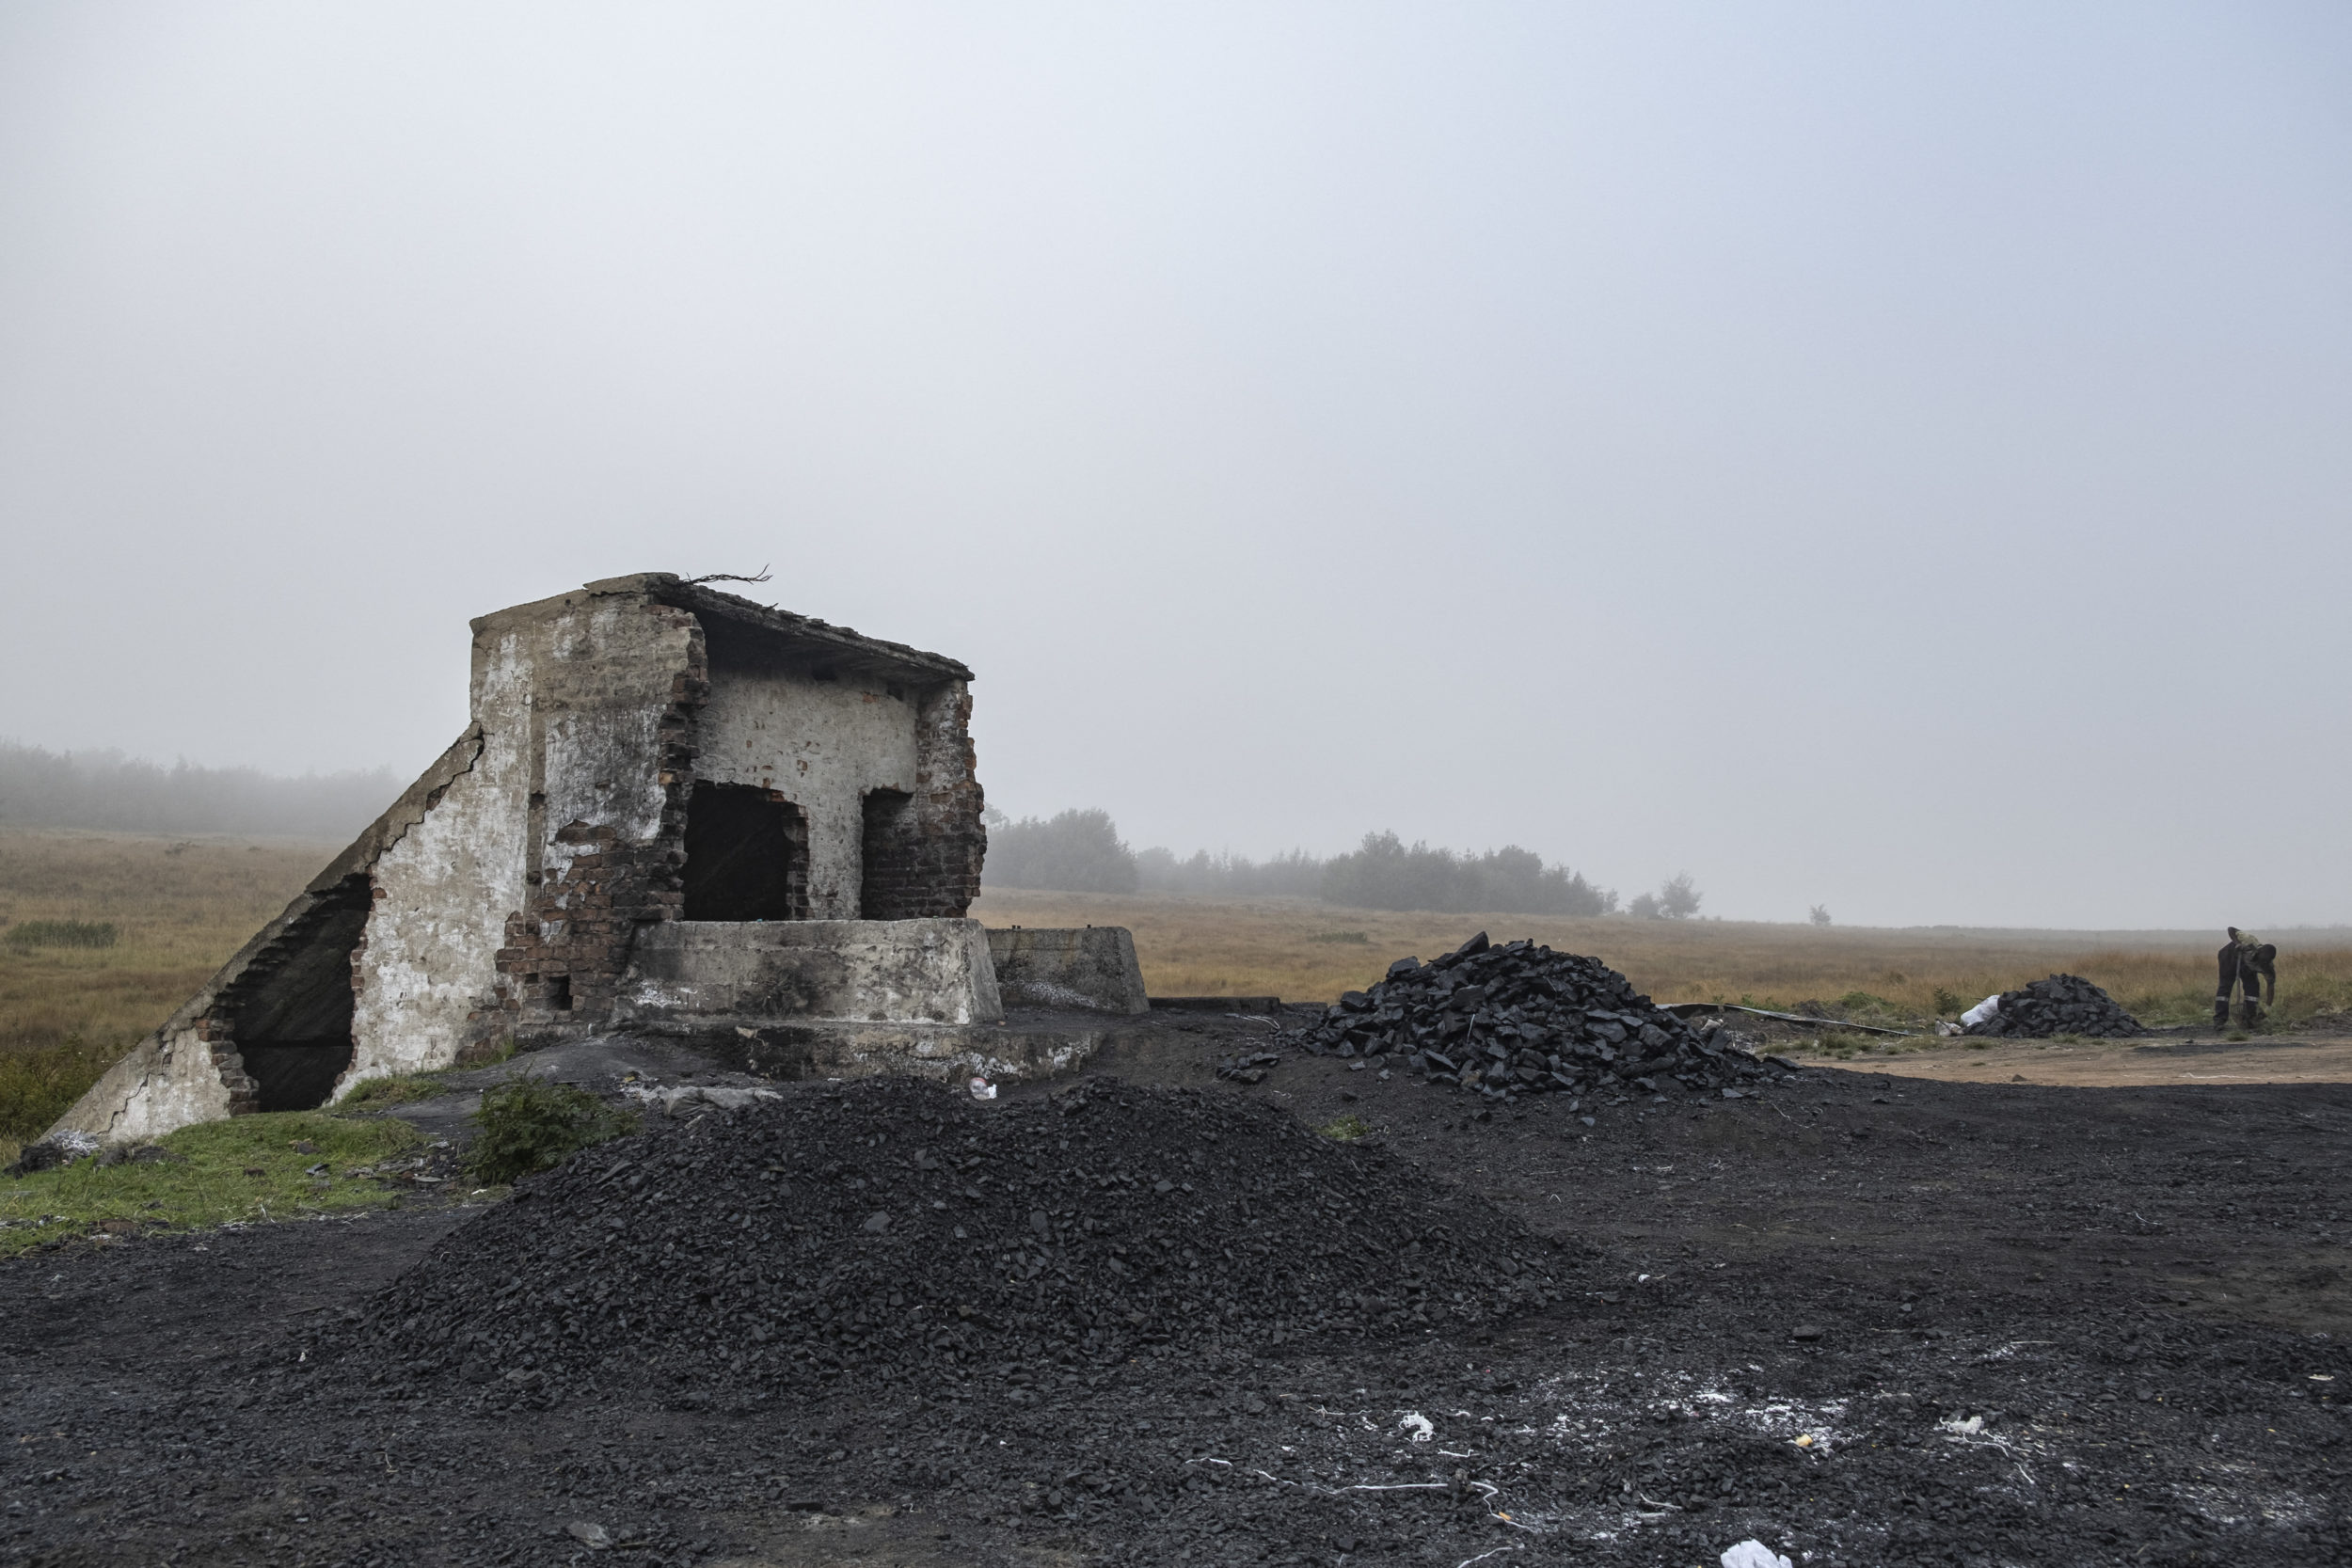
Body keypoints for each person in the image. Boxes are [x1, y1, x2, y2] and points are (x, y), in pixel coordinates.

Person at [2215, 927, 2276, 1030]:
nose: (2261, 963)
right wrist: (2237, 943)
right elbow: (2231, 929)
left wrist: (2267, 1009)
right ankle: (2219, 1020)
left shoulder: (2268, 967)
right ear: (2258, 952)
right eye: (2260, 960)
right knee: (2225, 987)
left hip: (2247, 967)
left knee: (2253, 989)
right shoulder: (2248, 940)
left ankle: (2249, 1018)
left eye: (2264, 962)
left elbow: (2271, 985)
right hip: (2229, 957)